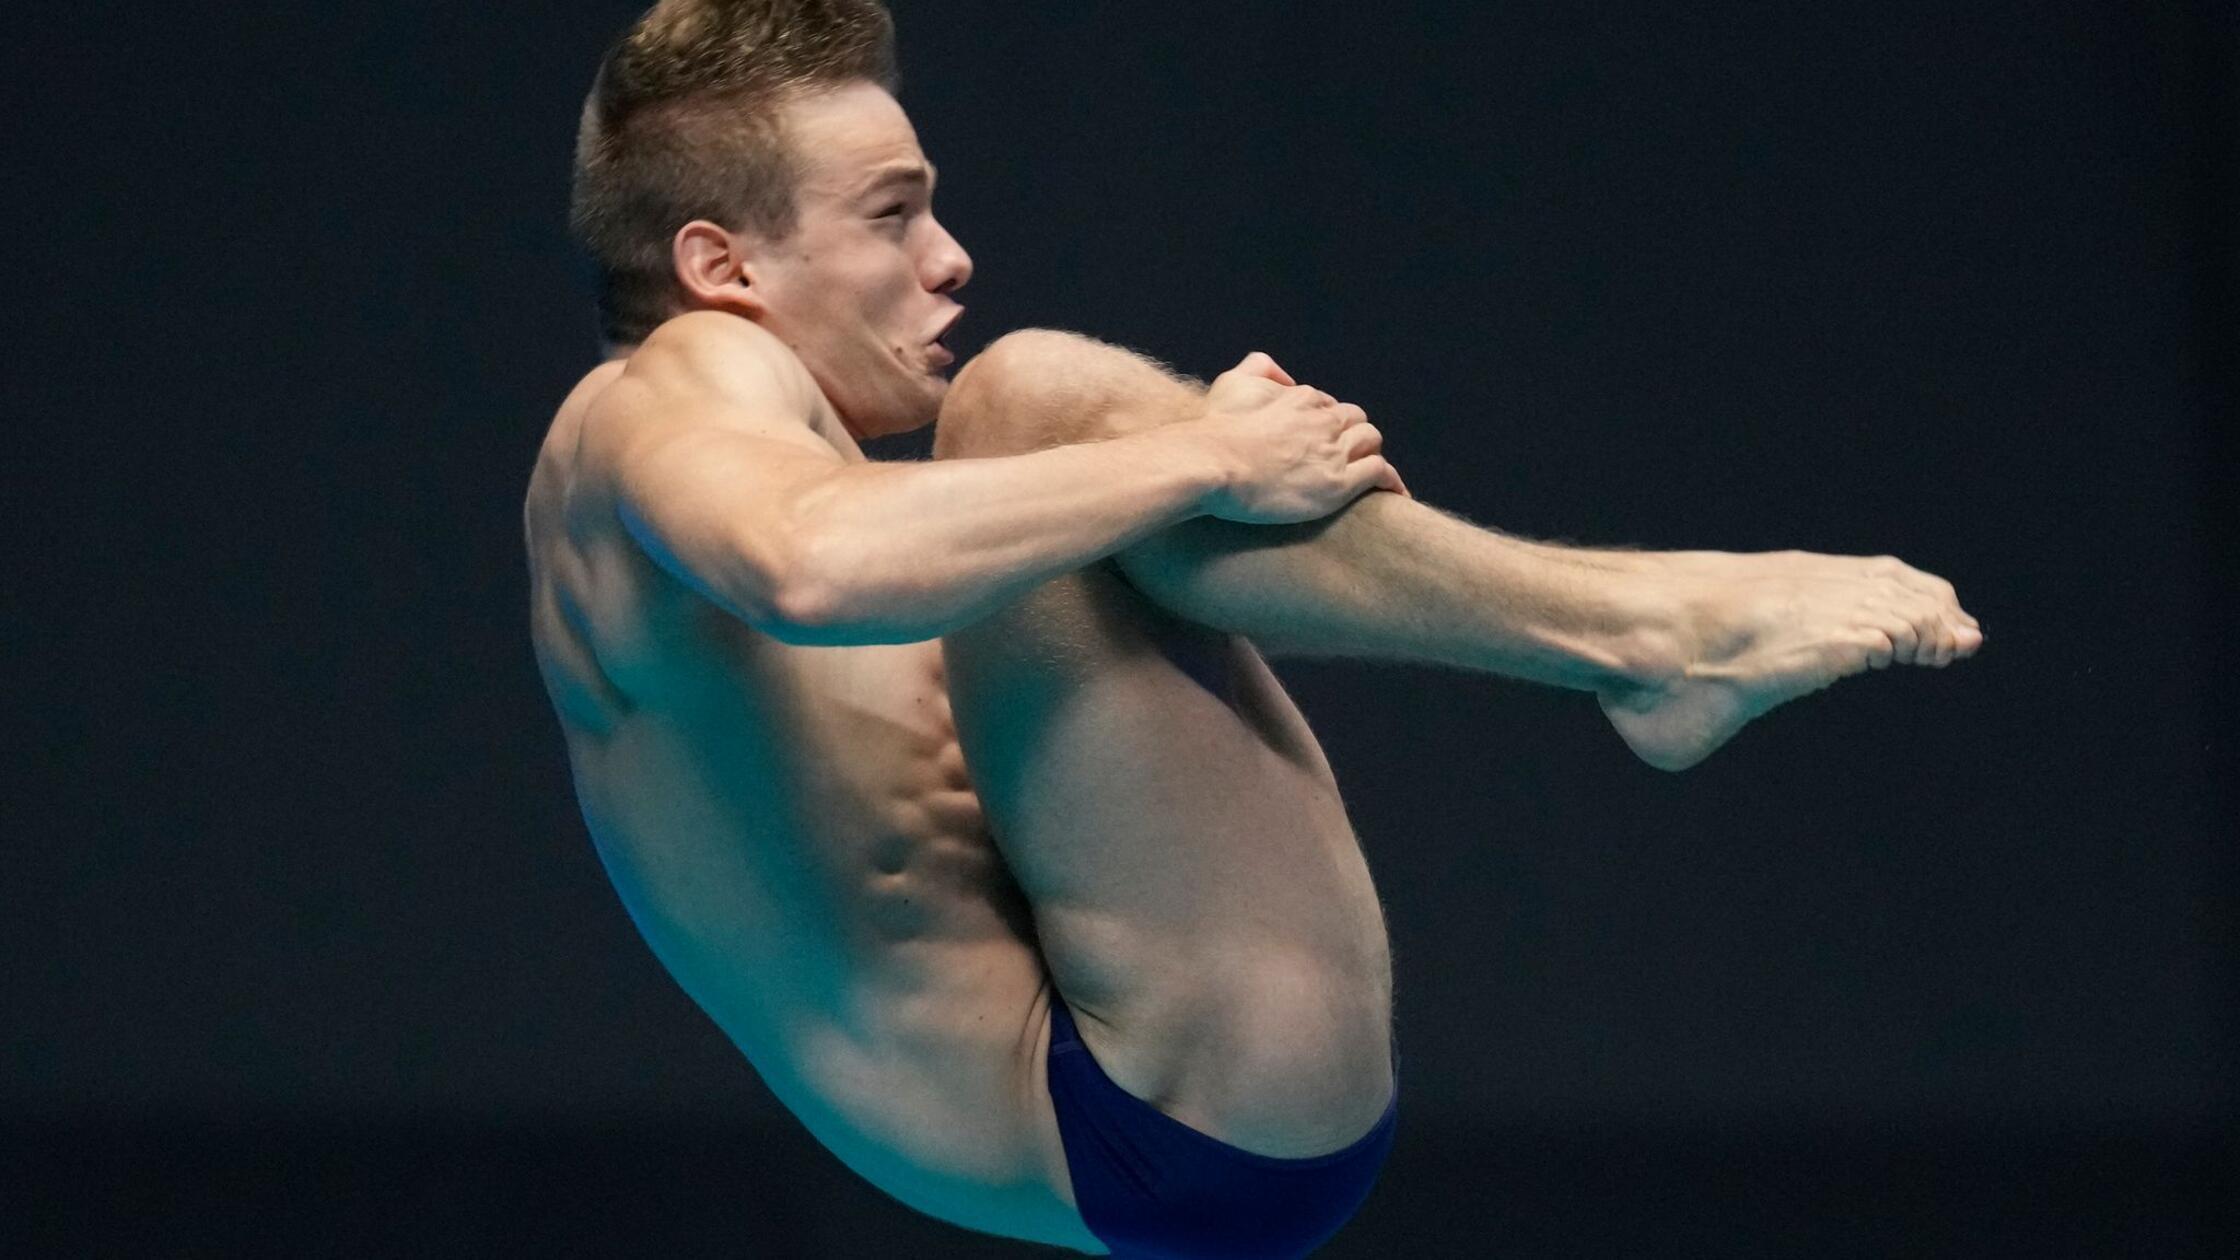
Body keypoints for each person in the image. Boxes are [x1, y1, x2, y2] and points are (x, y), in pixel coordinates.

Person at [525, 3, 1984, 1254]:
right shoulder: (663, 395)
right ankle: (1653, 636)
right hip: (1149, 1114)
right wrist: (1210, 457)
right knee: (1030, 398)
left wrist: (1191, 476)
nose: (950, 257)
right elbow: (805, 566)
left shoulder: (779, 450)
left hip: (1177, 1130)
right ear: (724, 270)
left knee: (1036, 442)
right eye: (892, 215)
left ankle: (1651, 640)